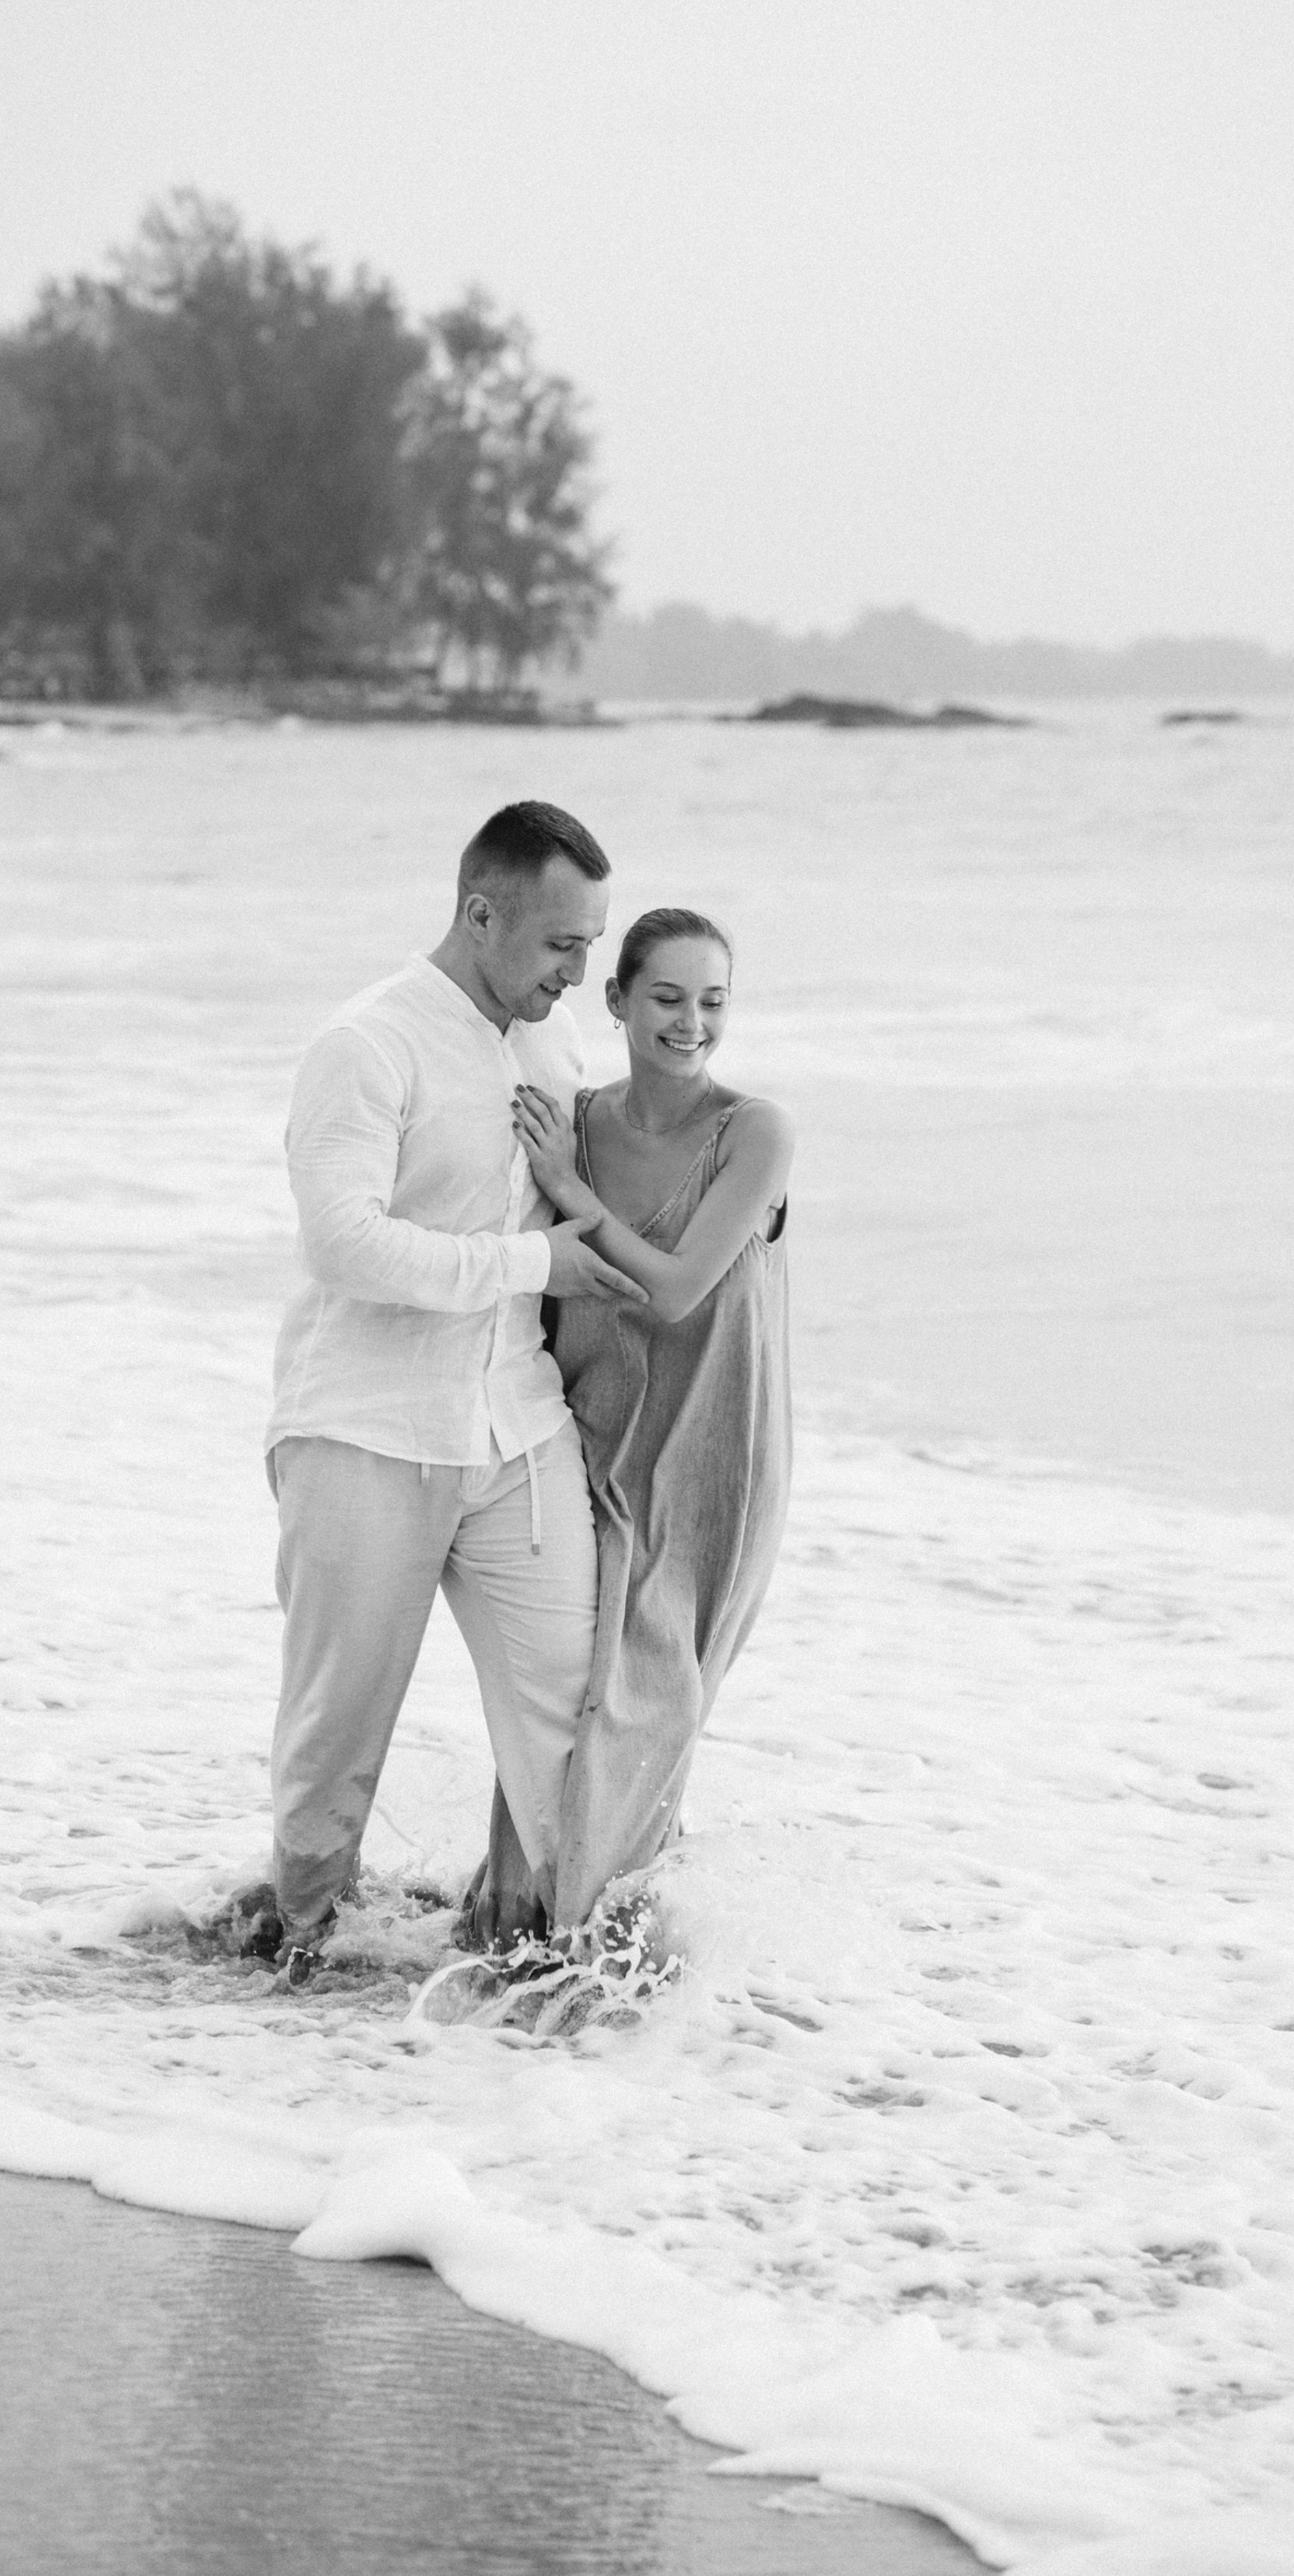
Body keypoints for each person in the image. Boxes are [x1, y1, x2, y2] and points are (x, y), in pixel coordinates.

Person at [238, 801, 645, 1980]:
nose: (581, 974)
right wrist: (536, 1263)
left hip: (518, 1427)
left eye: (592, 944)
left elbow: (592, 1197)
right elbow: (344, 1245)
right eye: (562, 945)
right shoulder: (366, 1045)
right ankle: (296, 1973)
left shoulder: (550, 1045)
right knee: (335, 1743)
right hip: (364, 1433)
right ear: (481, 914)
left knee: (575, 1714)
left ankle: (555, 1961)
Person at [461, 906, 793, 1954]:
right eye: (666, 996)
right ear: (616, 1001)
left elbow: (683, 1290)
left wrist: (570, 1195)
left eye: (712, 1001)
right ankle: (517, 1930)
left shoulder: (755, 1132)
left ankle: (606, 1951)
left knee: (648, 1703)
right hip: (583, 1435)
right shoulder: (573, 1118)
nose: (691, 1022)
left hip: (711, 1456)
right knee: (566, 1691)